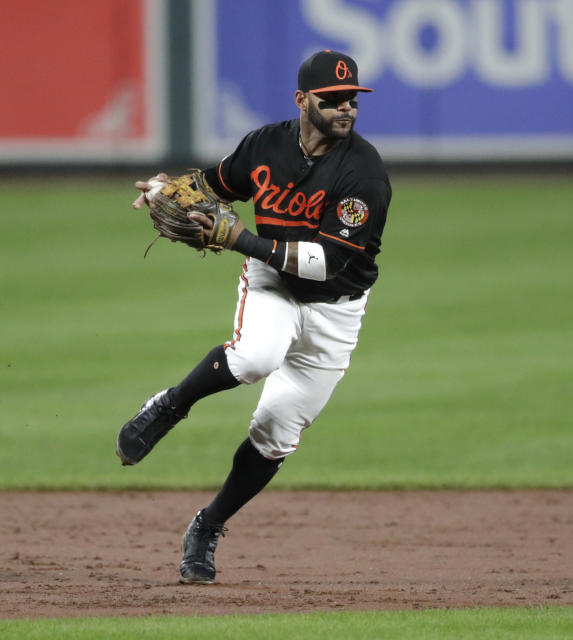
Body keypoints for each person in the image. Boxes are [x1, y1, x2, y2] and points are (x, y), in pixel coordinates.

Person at [116, 50, 391, 585]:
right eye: (331, 99)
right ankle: (168, 406)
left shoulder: (364, 173)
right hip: (272, 287)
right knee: (256, 355)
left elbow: (325, 263)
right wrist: (163, 189)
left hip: (336, 311)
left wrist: (240, 238)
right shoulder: (265, 144)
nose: (344, 108)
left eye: (351, 99)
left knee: (275, 433)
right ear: (302, 100)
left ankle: (206, 525)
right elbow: (213, 184)